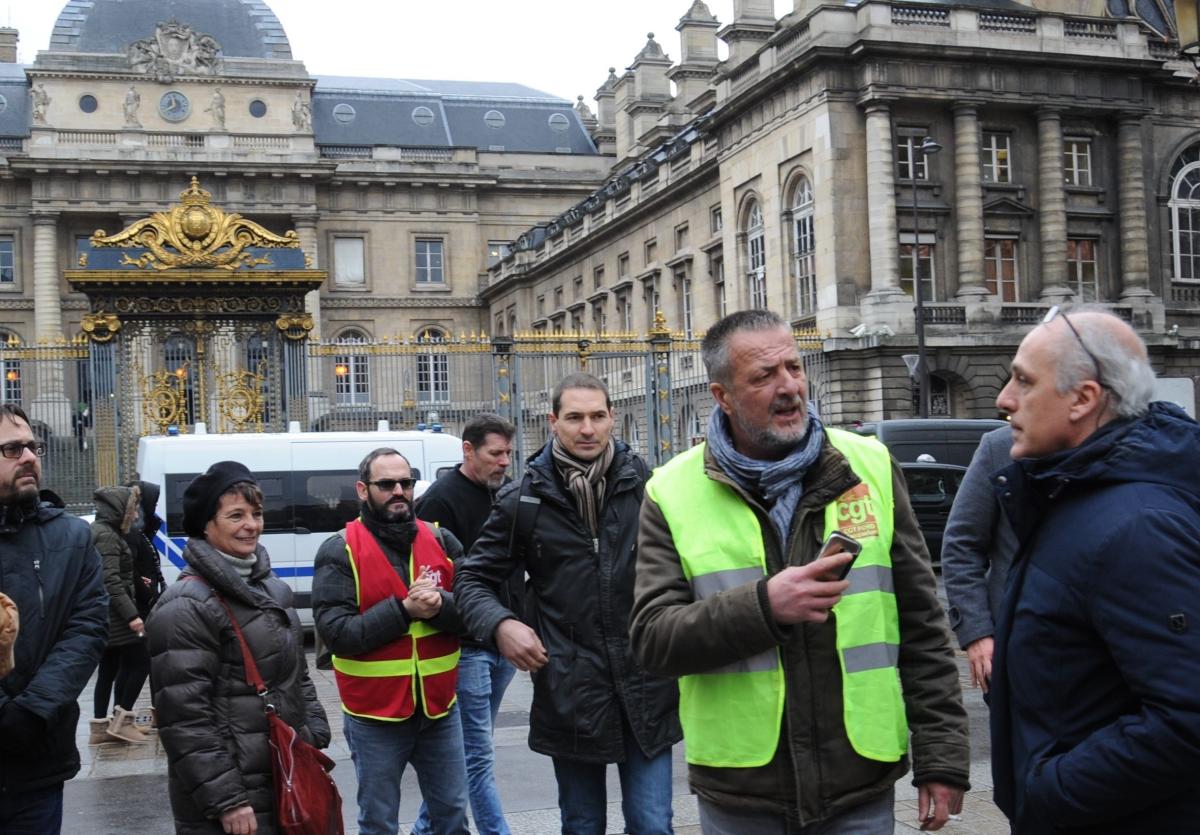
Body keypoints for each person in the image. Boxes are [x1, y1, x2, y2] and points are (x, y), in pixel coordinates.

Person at [629, 310, 970, 834]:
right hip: (744, 791)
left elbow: (924, 626)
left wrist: (942, 759)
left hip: (859, 780)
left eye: (794, 366)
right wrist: (765, 607)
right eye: (764, 376)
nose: (789, 387)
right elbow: (653, 639)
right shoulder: (671, 490)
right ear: (722, 396)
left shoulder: (870, 465)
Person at [989, 307, 1200, 833]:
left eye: (1023, 381)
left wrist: (1053, 790)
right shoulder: (1074, 496)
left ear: (1083, 399)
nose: (1004, 400)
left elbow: (1188, 717)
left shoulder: (1136, 526)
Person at [456, 373, 681, 835]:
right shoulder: (525, 499)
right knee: (582, 825)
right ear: (553, 422)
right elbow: (471, 579)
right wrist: (502, 624)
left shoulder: (651, 488)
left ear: (612, 419)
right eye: (575, 417)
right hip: (570, 693)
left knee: (653, 823)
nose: (587, 429)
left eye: (598, 416)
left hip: (646, 684)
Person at [147, 461, 331, 835]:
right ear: (206, 525)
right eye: (236, 515)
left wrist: (312, 729)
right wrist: (227, 799)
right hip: (234, 798)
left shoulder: (271, 588)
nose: (252, 525)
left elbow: (296, 671)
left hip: (282, 772)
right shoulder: (186, 604)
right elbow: (184, 719)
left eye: (257, 513)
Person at [312, 448, 469, 835]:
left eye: (406, 482)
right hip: (374, 716)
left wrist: (440, 607)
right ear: (363, 490)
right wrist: (405, 610)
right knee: (379, 821)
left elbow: (476, 614)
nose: (399, 491)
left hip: (439, 710)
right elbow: (338, 635)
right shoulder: (339, 549)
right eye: (387, 484)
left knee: (451, 815)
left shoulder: (443, 541)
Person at [0, 404, 108, 834]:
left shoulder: (72, 536)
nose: (29, 457)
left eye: (33, 447)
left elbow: (86, 628)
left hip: (38, 755)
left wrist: (31, 710)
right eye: (12, 449)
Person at [411, 413, 520, 835]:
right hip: (467, 646)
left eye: (509, 453)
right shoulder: (440, 501)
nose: (504, 462)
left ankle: (425, 828)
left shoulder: (504, 493)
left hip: (500, 641)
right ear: (468, 451)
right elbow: (433, 579)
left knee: (467, 754)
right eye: (496, 454)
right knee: (476, 757)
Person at [939, 425, 1016, 693]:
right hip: (1013, 647)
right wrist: (977, 633)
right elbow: (961, 544)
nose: (1006, 399)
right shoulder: (1000, 447)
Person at [89, 484, 153, 744]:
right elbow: (111, 580)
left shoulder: (104, 531)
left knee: (109, 667)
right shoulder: (107, 536)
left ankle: (100, 728)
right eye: (132, 509)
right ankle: (122, 720)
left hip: (107, 612)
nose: (136, 515)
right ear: (119, 510)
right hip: (116, 615)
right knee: (141, 660)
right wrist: (132, 616)